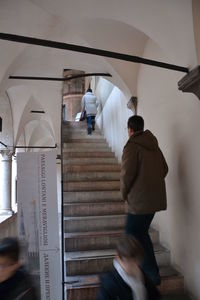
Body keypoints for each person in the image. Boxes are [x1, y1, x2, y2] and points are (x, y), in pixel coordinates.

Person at [121, 115, 168, 286]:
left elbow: (127, 175)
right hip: (154, 201)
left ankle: (134, 275)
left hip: (139, 203)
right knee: (141, 234)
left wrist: (123, 194)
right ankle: (151, 273)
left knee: (130, 237)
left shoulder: (132, 146)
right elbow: (165, 168)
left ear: (130, 129)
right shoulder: (154, 145)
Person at [97, 235, 161, 300]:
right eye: (130, 262)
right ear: (118, 258)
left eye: (137, 261)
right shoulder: (109, 283)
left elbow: (155, 296)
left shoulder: (142, 275)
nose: (135, 266)